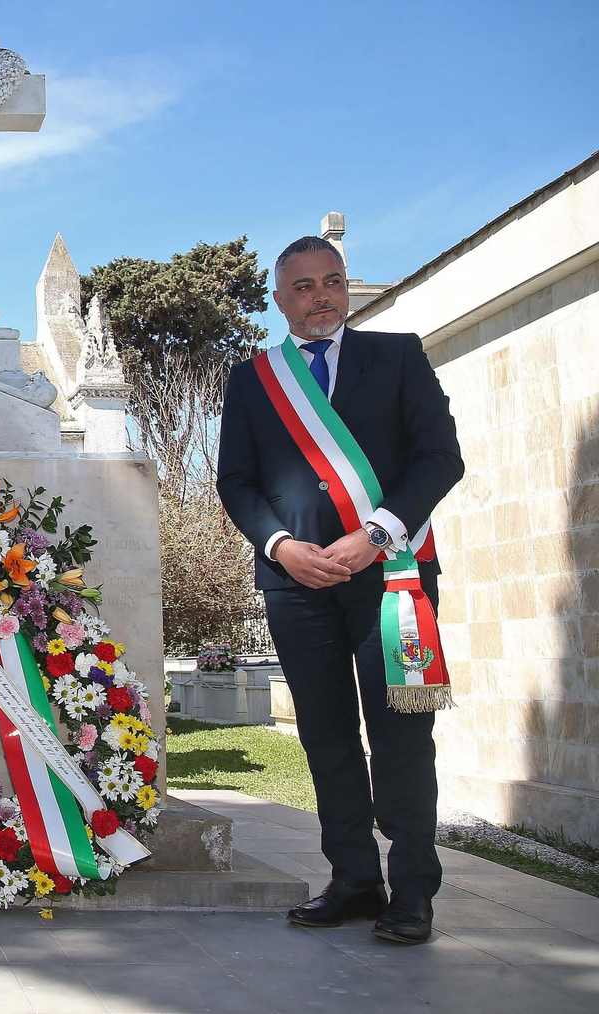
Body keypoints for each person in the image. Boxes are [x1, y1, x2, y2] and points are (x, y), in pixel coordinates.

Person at [217, 235, 464, 945]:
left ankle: (412, 891)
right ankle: (355, 879)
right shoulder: (253, 379)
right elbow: (236, 480)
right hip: (297, 587)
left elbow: (440, 458)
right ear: (279, 299)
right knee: (325, 736)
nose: (321, 296)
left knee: (402, 737)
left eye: (332, 282)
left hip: (393, 582)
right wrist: (281, 546)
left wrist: (377, 533)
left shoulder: (398, 356)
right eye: (303, 287)